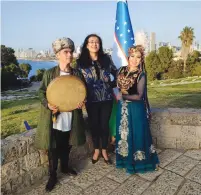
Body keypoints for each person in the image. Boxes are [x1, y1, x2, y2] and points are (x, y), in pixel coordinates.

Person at [34, 37, 86, 192]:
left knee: (67, 144)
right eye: (65, 52)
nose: (69, 55)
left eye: (70, 51)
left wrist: (81, 102)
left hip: (71, 116)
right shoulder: (50, 73)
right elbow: (42, 92)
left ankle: (64, 167)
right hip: (55, 117)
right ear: (58, 55)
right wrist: (48, 105)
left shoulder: (77, 73)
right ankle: (52, 175)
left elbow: (82, 92)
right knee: (53, 147)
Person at [116, 45, 159, 174]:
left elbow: (139, 95)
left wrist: (122, 95)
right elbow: (114, 84)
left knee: (138, 133)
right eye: (132, 56)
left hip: (136, 109)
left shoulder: (141, 75)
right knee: (124, 134)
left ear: (141, 59)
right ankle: (125, 161)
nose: (135, 59)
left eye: (138, 57)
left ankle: (141, 163)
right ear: (128, 57)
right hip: (122, 109)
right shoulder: (120, 70)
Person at [77, 34, 117, 164]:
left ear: (100, 45)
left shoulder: (106, 58)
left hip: (106, 98)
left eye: (97, 42)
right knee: (94, 126)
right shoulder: (80, 62)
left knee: (104, 125)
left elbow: (117, 74)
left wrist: (111, 84)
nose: (94, 44)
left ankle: (104, 150)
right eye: (92, 42)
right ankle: (96, 150)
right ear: (87, 45)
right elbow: (78, 82)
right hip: (91, 100)